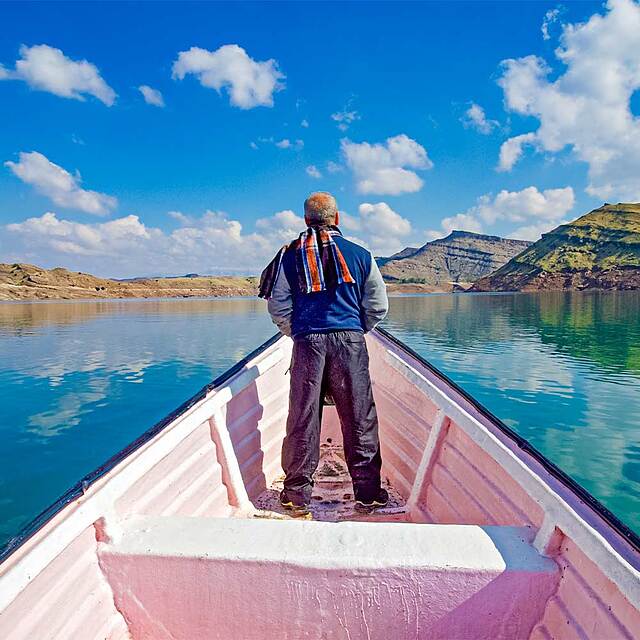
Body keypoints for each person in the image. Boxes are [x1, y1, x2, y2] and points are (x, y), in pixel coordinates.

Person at [259, 191, 389, 516]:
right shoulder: (361, 255)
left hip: (308, 343)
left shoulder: (290, 256)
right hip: (350, 343)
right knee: (360, 416)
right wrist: (354, 331)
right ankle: (369, 494)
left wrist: (300, 333)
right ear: (338, 218)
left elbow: (278, 306)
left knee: (303, 417)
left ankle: (296, 497)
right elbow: (377, 307)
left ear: (305, 219)